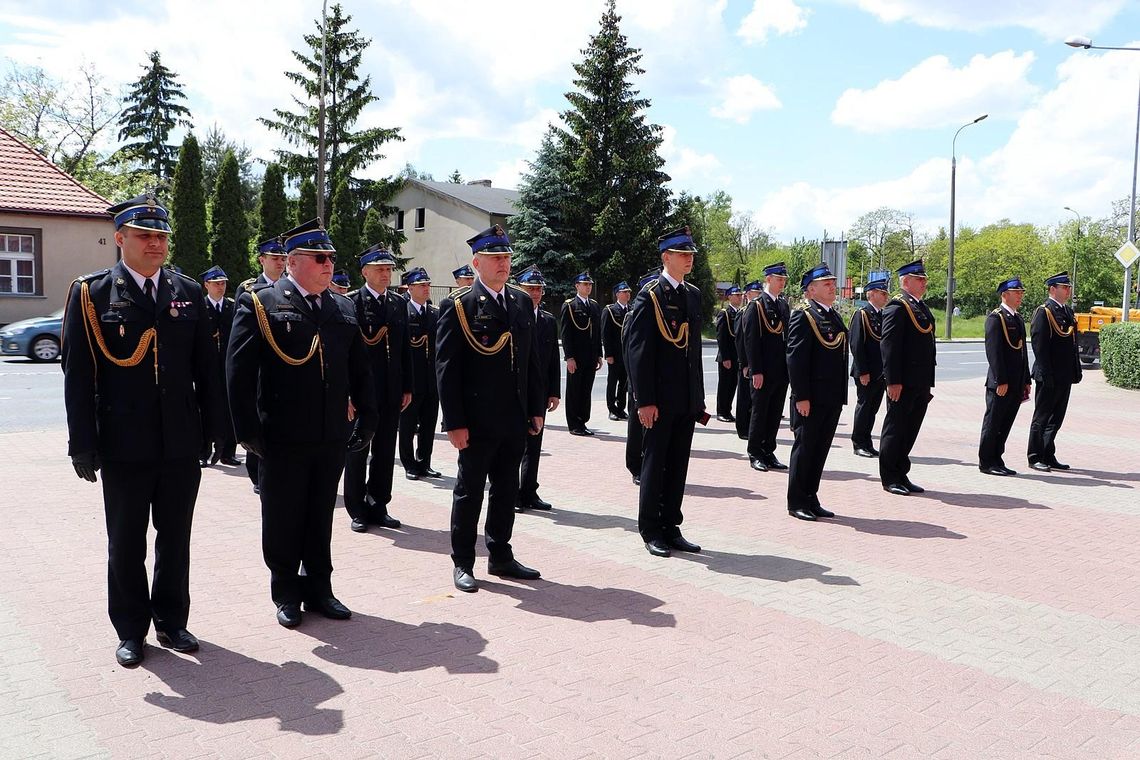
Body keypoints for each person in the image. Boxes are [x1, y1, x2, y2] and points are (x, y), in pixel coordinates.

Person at [62, 193, 215, 666]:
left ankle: (172, 621)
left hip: (179, 442)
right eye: (145, 236)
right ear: (120, 238)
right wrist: (82, 445)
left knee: (176, 536)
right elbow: (78, 376)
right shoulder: (92, 294)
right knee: (126, 540)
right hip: (123, 444)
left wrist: (214, 431)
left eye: (161, 237)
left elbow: (206, 371)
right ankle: (131, 628)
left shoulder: (187, 292)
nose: (155, 244)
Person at [227, 218, 377, 629]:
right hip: (281, 434)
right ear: (292, 263)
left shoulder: (342, 307)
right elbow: (238, 373)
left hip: (330, 433)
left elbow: (359, 369)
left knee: (319, 513)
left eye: (331, 258)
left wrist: (368, 416)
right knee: (282, 514)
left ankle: (320, 588)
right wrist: (246, 431)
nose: (329, 265)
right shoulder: (261, 303)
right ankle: (286, 591)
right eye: (320, 258)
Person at [436, 225, 545, 592]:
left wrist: (535, 408)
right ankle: (463, 561)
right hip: (477, 420)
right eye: (496, 258)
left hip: (513, 417)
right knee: (470, 490)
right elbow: (447, 369)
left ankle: (500, 554)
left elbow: (530, 361)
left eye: (507, 258)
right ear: (476, 262)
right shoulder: (459, 306)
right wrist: (454, 421)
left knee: (505, 489)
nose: (503, 264)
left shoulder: (519, 302)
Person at [625, 226, 705, 558]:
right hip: (658, 401)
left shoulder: (692, 295)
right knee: (654, 465)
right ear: (666, 257)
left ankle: (672, 525)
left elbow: (694, 353)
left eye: (691, 255)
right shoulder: (650, 295)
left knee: (678, 465)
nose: (689, 260)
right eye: (682, 254)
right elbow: (638, 353)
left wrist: (697, 400)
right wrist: (645, 401)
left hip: (684, 400)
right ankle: (651, 529)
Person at [342, 243, 412, 532]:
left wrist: (407, 386)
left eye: (388, 269)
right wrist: (346, 393)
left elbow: (404, 348)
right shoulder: (351, 303)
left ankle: (379, 503)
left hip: (391, 389)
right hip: (362, 392)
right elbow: (343, 352)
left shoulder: (397, 304)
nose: (386, 274)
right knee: (358, 448)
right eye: (380, 269)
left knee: (385, 449)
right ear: (365, 272)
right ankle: (357, 508)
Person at [786, 264, 848, 521]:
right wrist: (801, 396)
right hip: (811, 398)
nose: (832, 286)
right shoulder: (804, 315)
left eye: (832, 282)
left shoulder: (832, 315)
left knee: (820, 449)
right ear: (811, 290)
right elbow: (796, 359)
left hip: (831, 396)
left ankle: (811, 496)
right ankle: (797, 500)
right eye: (826, 283)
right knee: (805, 449)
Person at [236, 236, 289, 494]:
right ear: (262, 260)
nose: (280, 263)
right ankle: (256, 474)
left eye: (283, 258)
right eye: (275, 258)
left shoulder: (292, 288)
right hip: (258, 367)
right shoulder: (248, 289)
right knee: (258, 417)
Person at [879, 259, 937, 496]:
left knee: (910, 428)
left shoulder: (920, 307)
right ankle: (890, 476)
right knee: (896, 428)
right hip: (902, 382)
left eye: (924, 279)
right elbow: (889, 347)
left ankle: (901, 472)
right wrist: (893, 381)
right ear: (906, 281)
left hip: (919, 381)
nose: (924, 283)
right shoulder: (897, 307)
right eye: (919, 279)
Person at [516, 265, 561, 511]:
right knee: (514, 446)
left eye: (538, 289)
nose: (535, 293)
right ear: (520, 289)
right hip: (517, 392)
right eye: (530, 288)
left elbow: (554, 358)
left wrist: (554, 392)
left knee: (534, 444)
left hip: (539, 394)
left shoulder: (548, 320)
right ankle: (512, 494)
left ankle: (529, 491)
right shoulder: (512, 316)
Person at [1027, 272, 1082, 472]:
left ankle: (1048, 454)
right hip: (1048, 375)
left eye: (1068, 287)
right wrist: (1046, 374)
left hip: (1064, 375)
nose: (1068, 290)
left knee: (1056, 418)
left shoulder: (1067, 311)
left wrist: (1075, 370)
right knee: (1041, 417)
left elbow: (1072, 345)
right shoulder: (1044, 312)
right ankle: (1034, 456)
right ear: (1052, 289)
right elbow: (1039, 346)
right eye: (1064, 287)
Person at [979, 278, 1031, 476]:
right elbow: (993, 353)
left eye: (1021, 292)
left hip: (1016, 382)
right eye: (1016, 292)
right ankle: (986, 461)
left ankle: (997, 458)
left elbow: (1023, 352)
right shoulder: (996, 318)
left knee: (1006, 422)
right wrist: (1000, 380)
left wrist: (1026, 379)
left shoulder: (1017, 318)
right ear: (1004, 294)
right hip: (1001, 383)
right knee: (993, 422)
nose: (1020, 295)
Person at [743, 263, 791, 472]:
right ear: (769, 279)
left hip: (781, 370)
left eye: (784, 280)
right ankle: (755, 452)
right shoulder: (756, 306)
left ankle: (768, 450)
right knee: (760, 412)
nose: (782, 283)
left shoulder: (782, 305)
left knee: (774, 412)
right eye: (779, 279)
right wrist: (756, 370)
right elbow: (751, 340)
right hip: (764, 370)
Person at [399, 267, 441, 480]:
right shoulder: (403, 311)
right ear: (410, 288)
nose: (427, 289)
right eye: (422, 285)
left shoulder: (434, 313)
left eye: (428, 285)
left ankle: (425, 462)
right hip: (412, 380)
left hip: (432, 380)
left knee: (428, 424)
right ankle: (409, 464)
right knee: (407, 425)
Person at [200, 265, 239, 467]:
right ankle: (204, 451)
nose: (220, 287)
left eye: (223, 283)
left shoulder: (232, 307)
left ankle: (228, 452)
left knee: (230, 409)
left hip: (227, 365)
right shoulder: (200, 306)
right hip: (207, 366)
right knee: (206, 407)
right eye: (216, 284)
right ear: (206, 285)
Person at [625, 268, 660, 486]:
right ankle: (635, 466)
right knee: (637, 428)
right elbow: (630, 351)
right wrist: (635, 385)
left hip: (656, 383)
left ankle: (650, 465)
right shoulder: (634, 315)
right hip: (638, 384)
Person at [849, 278, 889, 457]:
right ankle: (858, 443)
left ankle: (867, 442)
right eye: (882, 293)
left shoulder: (883, 315)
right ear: (871, 294)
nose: (885, 296)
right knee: (864, 407)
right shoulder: (862, 314)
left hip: (879, 372)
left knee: (873, 409)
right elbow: (856, 345)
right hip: (866, 371)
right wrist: (863, 371)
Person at [560, 271, 603, 436]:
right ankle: (573, 424)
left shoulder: (593, 305)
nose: (588, 287)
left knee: (586, 390)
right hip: (576, 357)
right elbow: (565, 334)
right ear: (577, 286)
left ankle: (583, 421)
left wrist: (599, 354)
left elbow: (596, 332)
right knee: (574, 390)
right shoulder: (570, 306)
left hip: (590, 356)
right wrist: (569, 357)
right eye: (585, 284)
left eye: (590, 284)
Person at [734, 280, 761, 439]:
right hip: (746, 363)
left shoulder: (760, 310)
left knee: (753, 400)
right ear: (748, 294)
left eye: (759, 293)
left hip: (755, 362)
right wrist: (744, 363)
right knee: (744, 397)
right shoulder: (743, 312)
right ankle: (742, 428)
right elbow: (741, 340)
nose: (757, 296)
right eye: (755, 293)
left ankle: (750, 426)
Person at [602, 281, 632, 421]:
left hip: (627, 354)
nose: (627, 294)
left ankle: (621, 408)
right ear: (617, 294)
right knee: (612, 382)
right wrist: (608, 354)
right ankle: (611, 409)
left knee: (624, 382)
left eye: (628, 292)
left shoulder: (631, 310)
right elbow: (606, 334)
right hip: (614, 353)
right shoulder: (609, 310)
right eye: (624, 292)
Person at [714, 285, 743, 422]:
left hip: (736, 356)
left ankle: (728, 411)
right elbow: (721, 337)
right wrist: (725, 357)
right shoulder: (724, 313)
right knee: (725, 385)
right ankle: (721, 411)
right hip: (727, 356)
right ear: (729, 297)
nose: (739, 297)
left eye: (740, 295)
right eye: (736, 295)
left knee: (732, 385)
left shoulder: (741, 312)